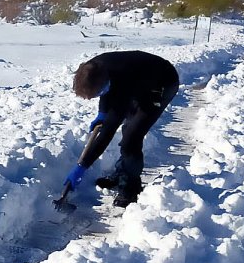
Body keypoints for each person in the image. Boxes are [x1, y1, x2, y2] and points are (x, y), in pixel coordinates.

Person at [62, 50, 179, 207]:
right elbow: (106, 92)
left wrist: (82, 167)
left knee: (132, 137)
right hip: (140, 76)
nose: (100, 95)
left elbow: (107, 133)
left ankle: (130, 188)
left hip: (162, 82)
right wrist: (102, 113)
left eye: (99, 93)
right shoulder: (92, 68)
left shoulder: (123, 83)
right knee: (128, 129)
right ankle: (121, 174)